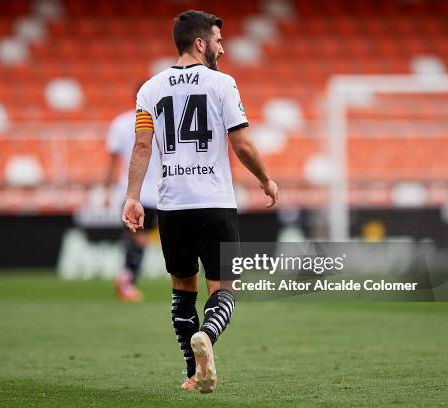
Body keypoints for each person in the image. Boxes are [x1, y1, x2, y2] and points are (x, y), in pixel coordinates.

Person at [122, 10, 278, 393]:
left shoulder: (149, 89)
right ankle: (208, 335)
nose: (223, 49)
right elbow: (240, 144)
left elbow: (143, 146)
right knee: (224, 289)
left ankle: (194, 374)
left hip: (172, 206)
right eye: (218, 41)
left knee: (181, 293)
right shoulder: (222, 84)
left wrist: (131, 197)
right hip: (215, 203)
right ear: (200, 43)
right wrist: (266, 179)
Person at [105, 93, 162, 302]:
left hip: (128, 191)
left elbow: (112, 160)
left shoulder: (120, 122)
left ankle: (126, 279)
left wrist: (106, 190)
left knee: (137, 238)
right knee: (140, 239)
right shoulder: (162, 120)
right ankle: (127, 280)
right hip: (155, 192)